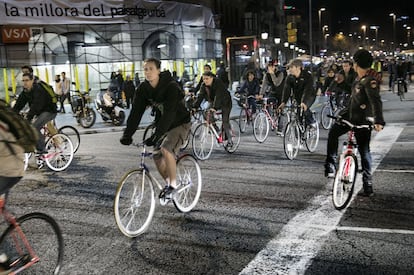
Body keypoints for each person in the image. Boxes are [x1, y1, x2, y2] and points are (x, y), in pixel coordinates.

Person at [120, 58, 191, 198]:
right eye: (145, 69)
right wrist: (127, 134)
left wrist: (156, 135)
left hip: (180, 123)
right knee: (156, 155)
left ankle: (173, 185)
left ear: (158, 70)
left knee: (166, 148)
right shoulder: (143, 89)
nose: (148, 72)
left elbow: (169, 114)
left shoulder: (171, 86)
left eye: (151, 68)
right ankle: (169, 184)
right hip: (163, 124)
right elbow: (136, 113)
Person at [324, 49, 385, 197]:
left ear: (356, 64)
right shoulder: (358, 78)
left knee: (365, 152)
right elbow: (353, 94)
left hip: (363, 121)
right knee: (333, 133)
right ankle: (330, 165)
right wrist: (342, 82)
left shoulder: (369, 81)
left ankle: (367, 183)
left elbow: (375, 101)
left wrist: (378, 120)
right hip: (350, 116)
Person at [12, 73, 58, 154]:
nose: (25, 83)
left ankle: (42, 149)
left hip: (49, 111)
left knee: (34, 127)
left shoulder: (38, 89)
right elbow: (19, 104)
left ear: (32, 80)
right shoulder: (26, 91)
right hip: (40, 112)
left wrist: (28, 117)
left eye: (27, 80)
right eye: (23, 81)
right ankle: (38, 143)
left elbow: (36, 106)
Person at [192, 71, 233, 145]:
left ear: (212, 78)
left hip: (225, 102)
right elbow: (200, 96)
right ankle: (217, 131)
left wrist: (215, 108)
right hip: (213, 101)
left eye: (207, 79)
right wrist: (195, 107)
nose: (205, 81)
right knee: (206, 114)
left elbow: (219, 95)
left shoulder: (218, 82)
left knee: (225, 121)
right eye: (204, 79)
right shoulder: (203, 85)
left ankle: (230, 140)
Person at [278, 58, 317, 128]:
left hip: (309, 95)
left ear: (298, 67)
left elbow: (308, 90)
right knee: (297, 113)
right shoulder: (289, 77)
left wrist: (304, 102)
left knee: (304, 108)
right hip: (297, 96)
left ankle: (312, 122)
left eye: (291, 67)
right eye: (289, 67)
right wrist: (283, 102)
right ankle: (300, 132)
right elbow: (287, 90)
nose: (290, 69)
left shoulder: (307, 76)